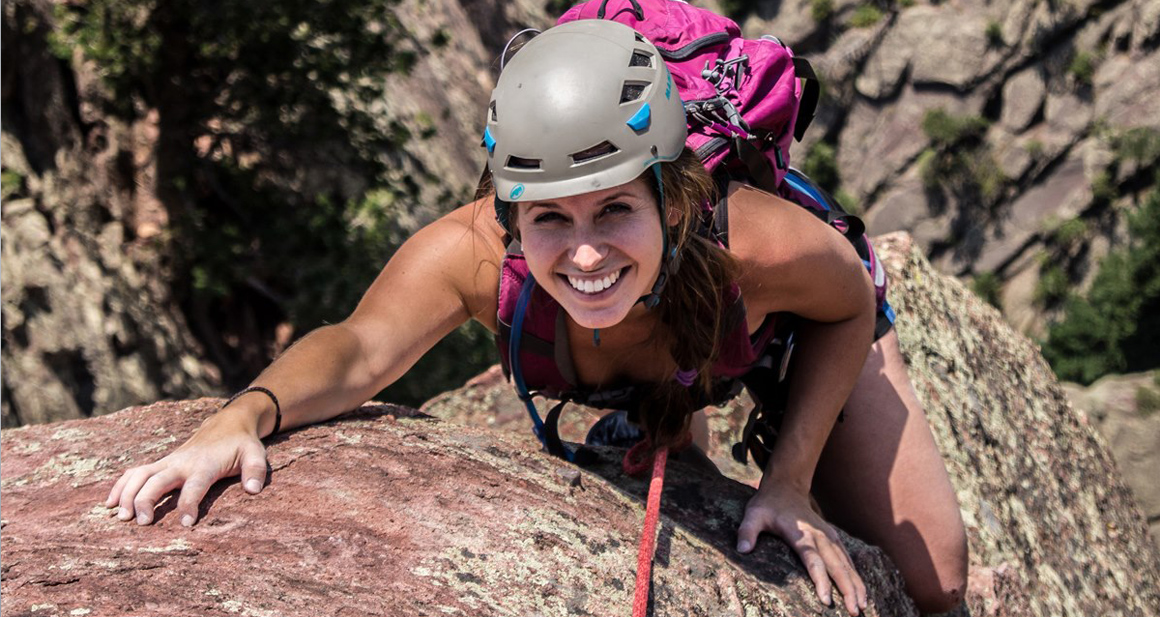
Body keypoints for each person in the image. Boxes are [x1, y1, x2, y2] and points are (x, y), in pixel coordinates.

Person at [105, 19, 968, 616]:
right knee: (674, 429)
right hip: (676, 340)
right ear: (512, 216)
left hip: (766, 327)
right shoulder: (473, 255)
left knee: (935, 577)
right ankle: (673, 410)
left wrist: (790, 479)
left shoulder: (761, 247)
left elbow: (850, 298)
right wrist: (239, 416)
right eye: (550, 218)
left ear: (673, 204)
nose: (585, 255)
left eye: (614, 213)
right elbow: (360, 345)